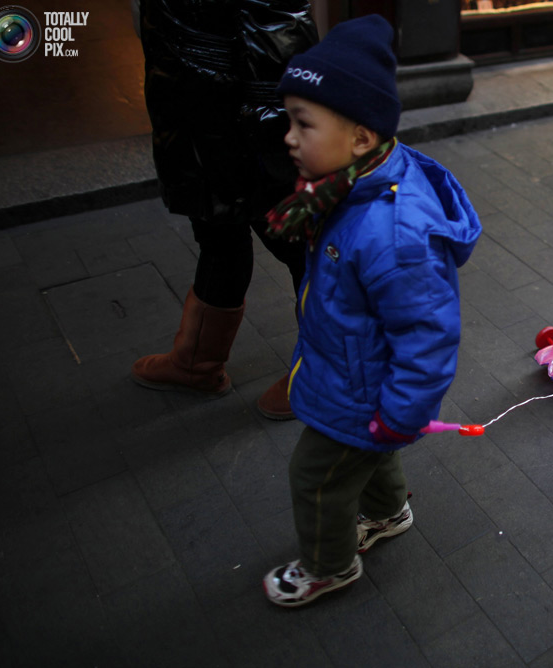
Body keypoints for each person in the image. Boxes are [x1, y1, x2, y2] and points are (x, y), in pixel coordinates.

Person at [260, 15, 482, 607]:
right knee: (365, 454)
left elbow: (429, 335)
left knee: (315, 478)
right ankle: (387, 513)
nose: (289, 137)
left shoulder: (393, 232)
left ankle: (329, 566)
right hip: (351, 372)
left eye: (303, 124)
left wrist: (399, 414)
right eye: (290, 120)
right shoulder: (347, 185)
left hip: (365, 391)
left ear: (360, 137)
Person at [131, 0, 318, 420]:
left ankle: (328, 373)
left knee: (300, 244)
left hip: (243, 117)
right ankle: (196, 362)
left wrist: (282, 135)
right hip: (195, 108)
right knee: (219, 232)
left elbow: (281, 28)